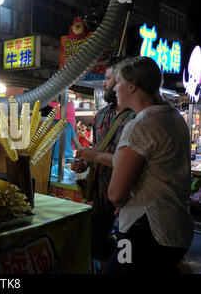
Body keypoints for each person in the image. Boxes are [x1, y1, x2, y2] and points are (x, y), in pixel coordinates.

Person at [103, 56, 193, 274]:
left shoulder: (141, 125)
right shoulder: (174, 117)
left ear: (132, 86)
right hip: (177, 229)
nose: (115, 88)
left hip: (145, 232)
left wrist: (122, 201)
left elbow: (116, 194)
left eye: (119, 82)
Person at [72, 56, 135, 272]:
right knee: (100, 253)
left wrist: (93, 156)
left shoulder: (137, 118)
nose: (104, 83)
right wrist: (84, 163)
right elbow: (96, 151)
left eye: (108, 78)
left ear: (123, 81)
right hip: (101, 199)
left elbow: (131, 163)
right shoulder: (101, 115)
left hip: (127, 204)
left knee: (125, 260)